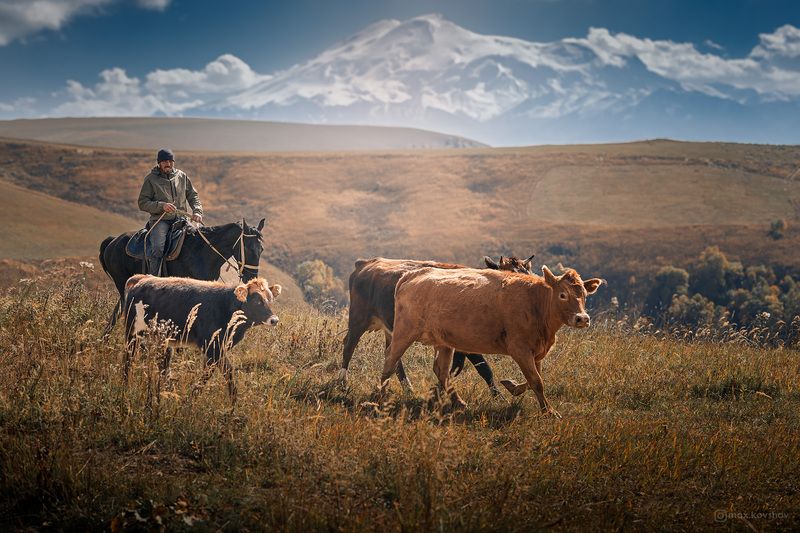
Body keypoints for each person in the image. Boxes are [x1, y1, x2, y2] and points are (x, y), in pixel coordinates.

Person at [137, 148, 203, 276]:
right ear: (159, 163)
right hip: (161, 221)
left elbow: (193, 196)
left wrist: (197, 211)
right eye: (164, 161)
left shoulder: (182, 176)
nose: (168, 164)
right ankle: (153, 280)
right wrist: (162, 206)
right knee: (157, 247)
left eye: (170, 161)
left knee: (200, 241)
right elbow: (142, 203)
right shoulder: (150, 179)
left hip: (182, 219)